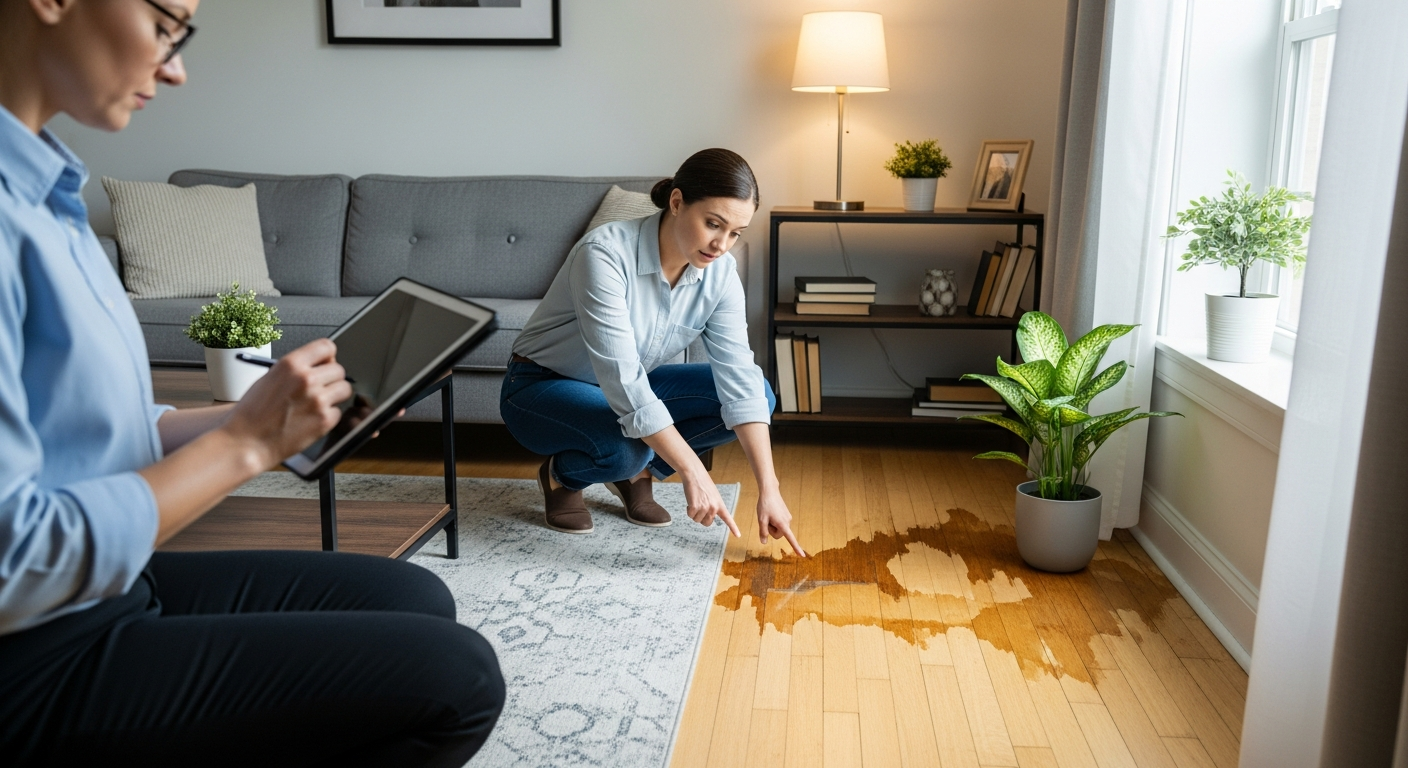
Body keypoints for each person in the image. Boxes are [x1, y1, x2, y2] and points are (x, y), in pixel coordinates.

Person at [0, 1, 503, 764]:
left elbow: (94, 431)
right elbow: (16, 562)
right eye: (167, 25)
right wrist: (244, 445)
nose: (176, 68)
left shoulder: (49, 193)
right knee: (457, 680)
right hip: (33, 659)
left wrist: (269, 416)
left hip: (106, 588)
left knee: (416, 596)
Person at [502, 148, 807, 557]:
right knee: (624, 449)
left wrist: (770, 488)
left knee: (760, 394)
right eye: (713, 224)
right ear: (677, 203)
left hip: (626, 388)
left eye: (735, 232)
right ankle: (563, 477)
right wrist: (693, 471)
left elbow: (740, 378)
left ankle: (638, 471)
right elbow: (624, 382)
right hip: (542, 385)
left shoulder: (719, 273)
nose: (721, 244)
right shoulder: (604, 254)